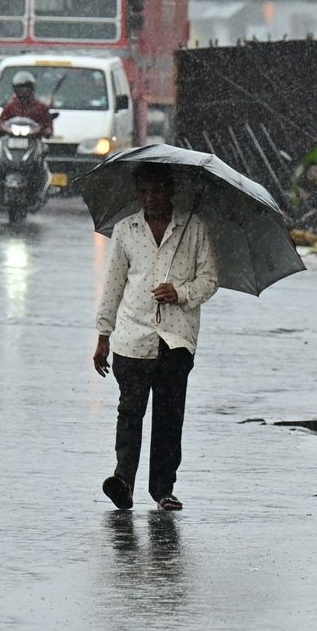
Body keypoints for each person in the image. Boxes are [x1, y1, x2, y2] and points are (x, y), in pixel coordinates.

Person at [93, 163, 219, 512]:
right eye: (144, 192)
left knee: (168, 416)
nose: (151, 199)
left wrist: (180, 292)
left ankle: (163, 489)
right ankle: (123, 481)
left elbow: (209, 280)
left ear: (170, 191)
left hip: (176, 339)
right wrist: (104, 334)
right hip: (132, 336)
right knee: (129, 411)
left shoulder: (193, 229)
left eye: (157, 192)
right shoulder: (125, 230)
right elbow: (114, 284)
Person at [0, 71, 55, 136]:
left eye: (27, 88)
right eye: (20, 88)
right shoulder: (10, 107)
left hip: (34, 140)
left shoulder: (41, 108)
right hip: (11, 140)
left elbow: (48, 126)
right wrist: (0, 129)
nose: (24, 91)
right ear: (15, 89)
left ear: (31, 88)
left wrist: (46, 131)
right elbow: (1, 123)